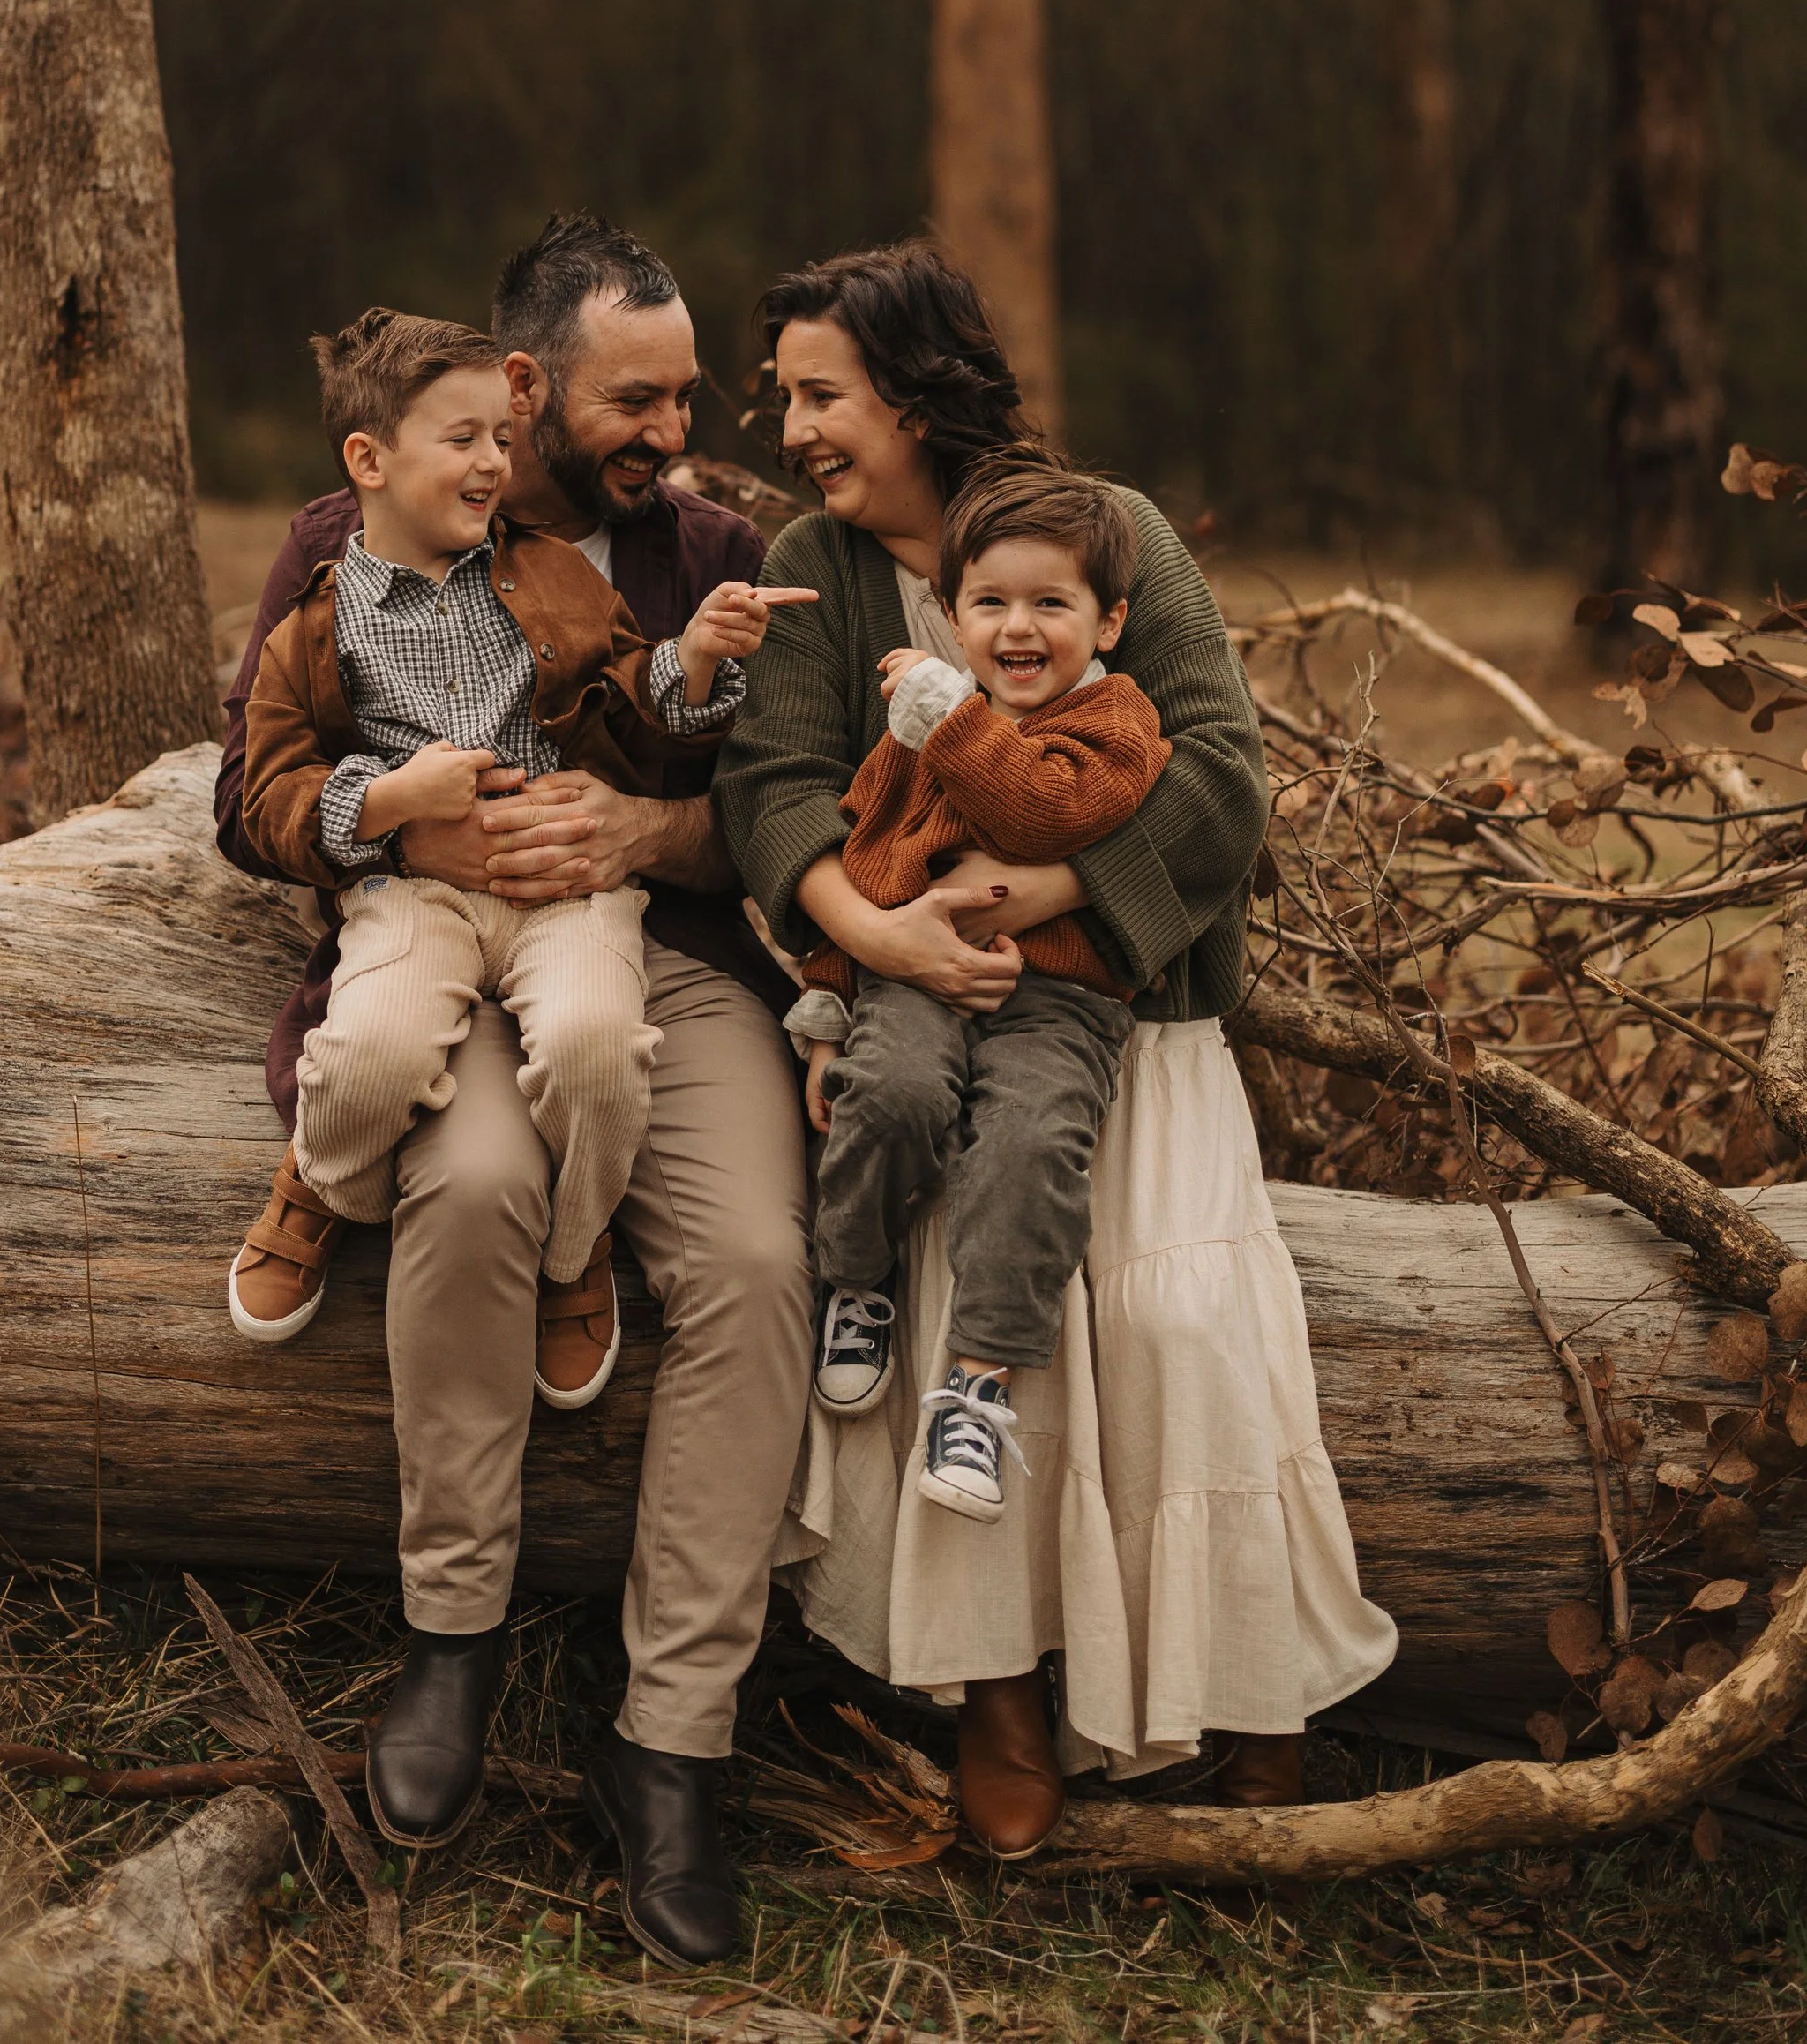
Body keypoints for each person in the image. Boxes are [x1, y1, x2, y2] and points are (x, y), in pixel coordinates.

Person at [717, 241, 1398, 1864]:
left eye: (823, 395)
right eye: (790, 397)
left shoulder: (1104, 537)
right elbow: (776, 787)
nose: (797, 426)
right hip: (924, 1015)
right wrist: (874, 947)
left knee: (1175, 1317)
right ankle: (1000, 1695)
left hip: (1127, 1014)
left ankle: (1251, 1691)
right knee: (957, 1285)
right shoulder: (814, 560)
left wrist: (1051, 888)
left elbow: (1222, 769)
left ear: (915, 390)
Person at [214, 218, 815, 1965]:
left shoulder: (706, 549)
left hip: (658, 960)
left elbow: (786, 799)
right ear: (532, 384)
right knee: (472, 1186)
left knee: (761, 1269)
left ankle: (672, 1742)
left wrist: (649, 823)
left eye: (691, 396)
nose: (678, 431)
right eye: (641, 400)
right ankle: (450, 1634)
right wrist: (407, 820)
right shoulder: (354, 541)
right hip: (438, 954)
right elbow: (250, 788)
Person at [227, 306, 802, 1417]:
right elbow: (260, 794)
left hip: (568, 901)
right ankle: (319, 1180)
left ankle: (573, 1246)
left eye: (501, 437)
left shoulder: (557, 575)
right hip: (412, 895)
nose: (495, 461)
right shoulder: (319, 604)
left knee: (595, 1048)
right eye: (466, 440)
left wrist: (695, 658)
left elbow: (636, 697)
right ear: (370, 462)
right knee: (376, 1060)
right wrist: (393, 806)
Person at [789, 459, 1168, 1522]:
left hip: (1063, 1002)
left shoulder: (1115, 724)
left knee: (1032, 1144)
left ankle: (978, 1383)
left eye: (1052, 604)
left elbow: (1047, 813)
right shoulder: (927, 723)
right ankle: (854, 1280)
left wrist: (950, 718)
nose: (1018, 629)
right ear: (952, 614)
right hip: (913, 970)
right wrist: (826, 1008)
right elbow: (867, 853)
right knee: (893, 1092)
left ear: (1108, 622)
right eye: (990, 603)